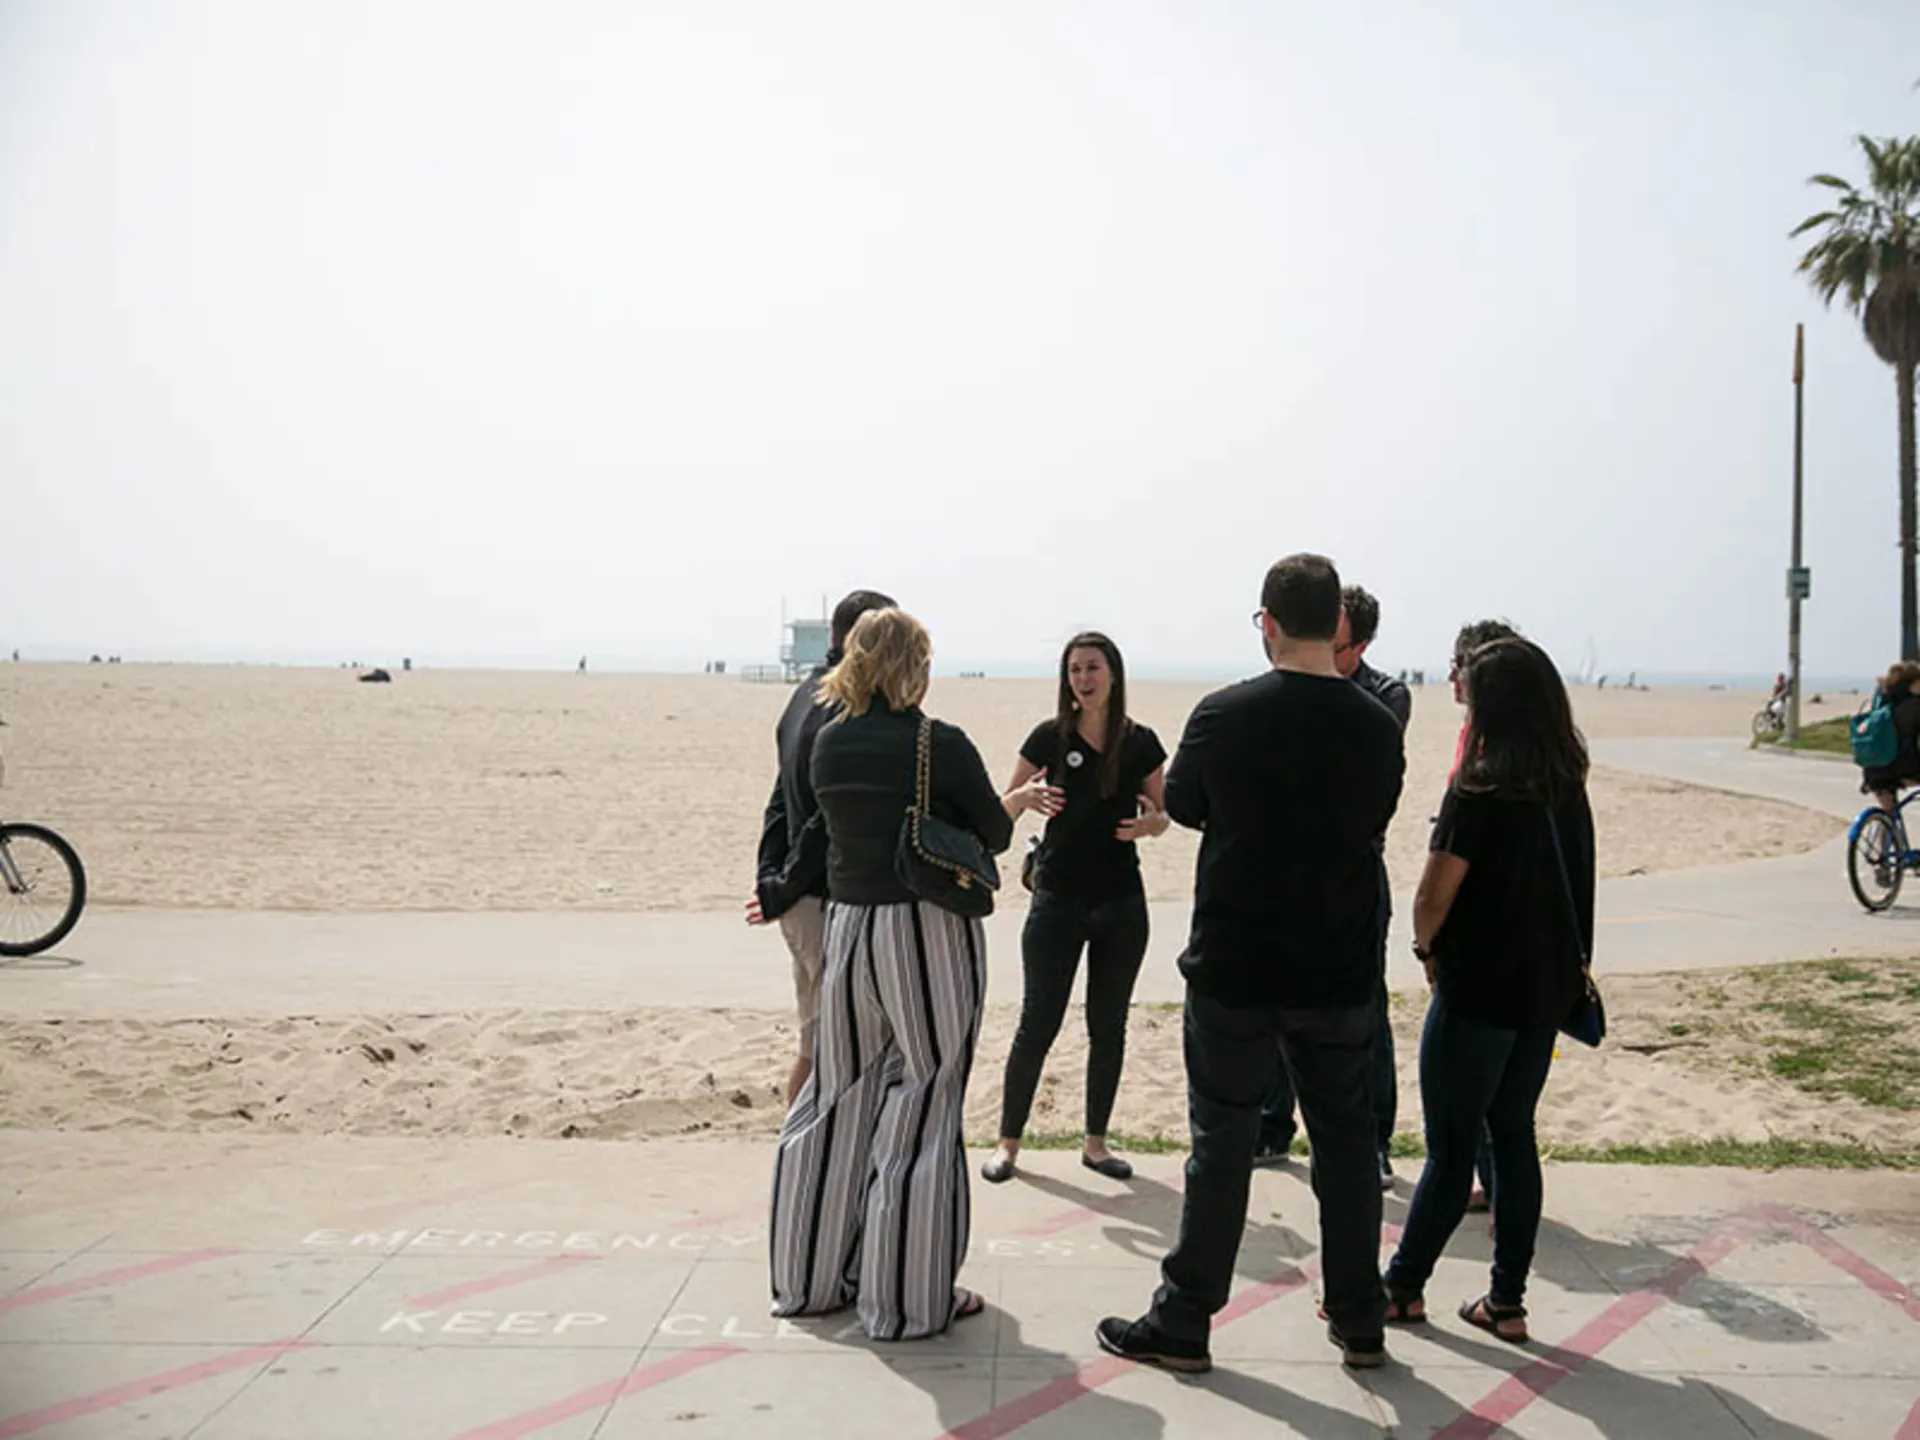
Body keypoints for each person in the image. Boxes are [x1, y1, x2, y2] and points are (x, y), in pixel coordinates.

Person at [1096, 554, 1405, 1375]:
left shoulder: (1225, 713)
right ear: (1337, 623)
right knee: (1344, 1146)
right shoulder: (1377, 724)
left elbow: (1187, 804)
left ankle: (1187, 1318)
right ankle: (1359, 1315)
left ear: (1266, 621)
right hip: (1338, 965)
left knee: (1222, 1143)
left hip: (1237, 961)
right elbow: (1377, 812)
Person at [767, 607, 1013, 1342]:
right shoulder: (939, 743)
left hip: (848, 926)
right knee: (926, 1099)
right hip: (923, 926)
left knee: (836, 1096)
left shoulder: (830, 740)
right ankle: (904, 1301)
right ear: (914, 664)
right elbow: (994, 832)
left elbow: (821, 826)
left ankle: (807, 1280)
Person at [1379, 636, 1593, 1347]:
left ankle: (1402, 1288)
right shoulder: (1567, 782)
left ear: (1490, 702)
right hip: (1544, 992)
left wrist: (1426, 950)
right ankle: (1507, 1302)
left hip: (1477, 991)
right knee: (1514, 1137)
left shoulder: (1479, 784)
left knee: (1449, 1148)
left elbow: (1432, 895)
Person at [983, 632, 1170, 1186]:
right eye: (1074, 671)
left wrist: (1152, 825)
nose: (1083, 680)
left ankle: (1095, 1144)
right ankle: (1008, 1145)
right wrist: (1023, 800)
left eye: (1092, 668)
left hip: (1121, 902)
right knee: (1037, 1022)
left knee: (1107, 1025)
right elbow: (999, 816)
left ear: (1113, 673)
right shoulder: (1048, 737)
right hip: (1057, 899)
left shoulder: (1141, 742)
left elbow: (1165, 812)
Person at [1256, 586, 1409, 1188]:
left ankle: (1373, 1141)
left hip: (1351, 878)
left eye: (1335, 644)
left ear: (1360, 646)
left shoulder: (1384, 697)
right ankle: (1273, 1126)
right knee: (1274, 1004)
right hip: (1285, 875)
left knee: (1367, 1008)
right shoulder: (1281, 689)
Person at [746, 589, 897, 1105]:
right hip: (825, 897)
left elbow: (778, 801)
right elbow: (824, 816)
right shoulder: (846, 706)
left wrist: (770, 879)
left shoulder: (802, 695)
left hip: (800, 897)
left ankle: (802, 1158)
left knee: (814, 1043)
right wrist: (781, 885)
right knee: (833, 1048)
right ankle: (808, 1161)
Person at [1860, 660, 1920, 809]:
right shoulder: (1915, 706)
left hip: (1872, 770)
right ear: (1912, 684)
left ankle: (1882, 826)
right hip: (1904, 769)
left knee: (1888, 812)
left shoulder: (1881, 703)